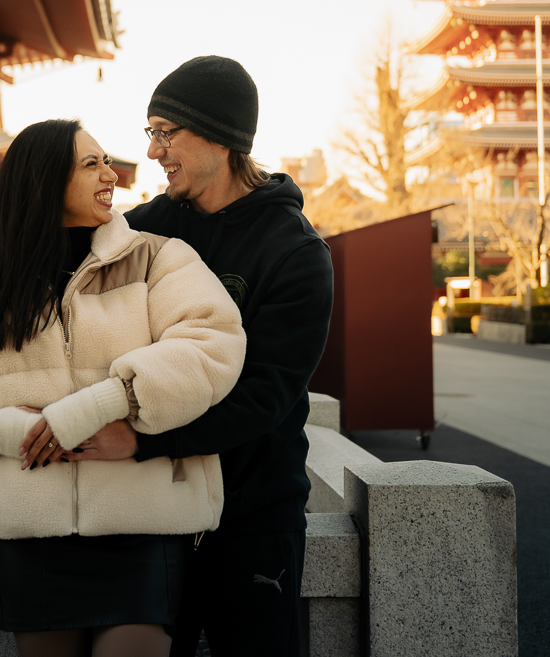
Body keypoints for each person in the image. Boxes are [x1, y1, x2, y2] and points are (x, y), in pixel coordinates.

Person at [0, 118, 247, 657]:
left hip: (141, 525)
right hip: (33, 532)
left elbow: (212, 343)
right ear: (45, 179)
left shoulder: (157, 257)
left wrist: (107, 401)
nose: (111, 174)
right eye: (91, 163)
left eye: (107, 162)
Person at [45, 56, 335, 657]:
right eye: (151, 133)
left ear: (221, 135)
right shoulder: (148, 228)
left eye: (164, 131)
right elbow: (59, 269)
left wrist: (143, 440)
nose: (153, 152)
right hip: (158, 509)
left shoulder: (297, 252)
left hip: (254, 516)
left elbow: (266, 396)